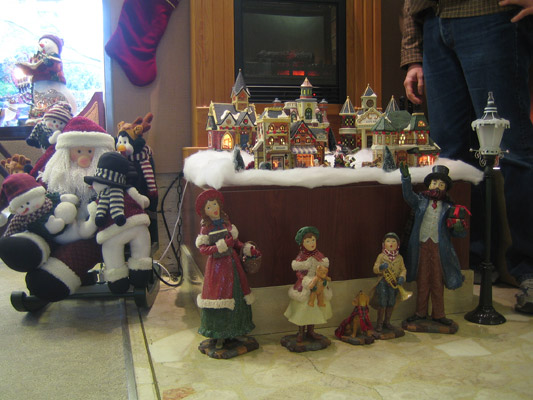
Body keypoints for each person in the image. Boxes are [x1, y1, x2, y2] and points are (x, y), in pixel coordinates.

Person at [401, 0, 533, 313]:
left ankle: (529, 271)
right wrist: (413, 54)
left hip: (492, 16)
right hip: (434, 24)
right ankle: (469, 262)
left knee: (513, 149)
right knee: (452, 160)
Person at [400, 164, 467, 326]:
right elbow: (408, 195)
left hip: (439, 248)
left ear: (445, 189)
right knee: (422, 281)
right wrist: (406, 178)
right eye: (435, 183)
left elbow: (457, 232)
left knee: (437, 281)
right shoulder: (420, 201)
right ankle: (420, 312)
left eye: (441, 184)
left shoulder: (449, 207)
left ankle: (439, 313)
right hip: (422, 245)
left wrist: (459, 226)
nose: (437, 186)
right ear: (429, 185)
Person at [195, 189, 258, 350]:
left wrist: (246, 248)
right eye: (209, 207)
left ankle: (236, 329)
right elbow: (203, 249)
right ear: (204, 211)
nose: (213, 209)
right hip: (217, 269)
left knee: (237, 295)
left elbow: (235, 242)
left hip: (232, 265)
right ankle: (219, 333)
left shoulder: (226, 224)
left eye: (214, 204)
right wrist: (220, 246)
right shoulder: (206, 229)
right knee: (219, 297)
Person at [284, 226, 332, 343]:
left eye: (313, 240)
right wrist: (306, 280)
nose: (311, 243)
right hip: (305, 286)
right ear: (302, 243)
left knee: (314, 309)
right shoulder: (301, 257)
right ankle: (301, 332)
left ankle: (311, 331)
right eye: (308, 241)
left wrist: (323, 279)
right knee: (303, 309)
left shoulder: (319, 255)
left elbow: (324, 269)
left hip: (318, 286)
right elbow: (299, 273)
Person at [370, 232, 407, 332]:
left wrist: (402, 277)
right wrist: (380, 267)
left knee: (391, 302)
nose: (391, 243)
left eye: (394, 241)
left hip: (394, 284)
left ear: (398, 244)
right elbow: (375, 268)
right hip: (383, 282)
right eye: (388, 241)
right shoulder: (381, 256)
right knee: (382, 302)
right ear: (384, 244)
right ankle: (379, 323)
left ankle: (387, 322)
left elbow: (403, 269)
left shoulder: (399, 258)